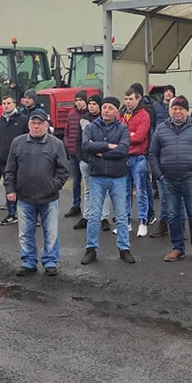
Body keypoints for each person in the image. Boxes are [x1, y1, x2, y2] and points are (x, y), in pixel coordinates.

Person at [4, 110, 70, 277]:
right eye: (33, 123)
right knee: (25, 233)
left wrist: (53, 186)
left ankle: (50, 262)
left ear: (46, 125)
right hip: (24, 197)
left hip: (49, 198)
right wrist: (10, 189)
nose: (36, 126)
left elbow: (63, 171)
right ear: (29, 125)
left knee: (51, 232)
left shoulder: (56, 144)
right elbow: (10, 169)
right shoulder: (17, 143)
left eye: (40, 123)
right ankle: (28, 262)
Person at [148, 96, 192, 262]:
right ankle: (177, 248)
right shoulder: (161, 129)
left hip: (190, 179)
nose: (177, 112)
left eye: (180, 109)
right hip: (168, 179)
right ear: (170, 110)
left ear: (186, 111)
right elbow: (153, 153)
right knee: (173, 214)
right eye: (174, 108)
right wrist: (159, 175)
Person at [81, 96, 136, 265]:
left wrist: (101, 151)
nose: (106, 110)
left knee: (120, 215)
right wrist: (109, 145)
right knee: (93, 215)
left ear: (116, 111)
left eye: (110, 108)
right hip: (97, 176)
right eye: (104, 107)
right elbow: (86, 147)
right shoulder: (91, 127)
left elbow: (123, 150)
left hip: (118, 177)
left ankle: (124, 249)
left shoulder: (122, 129)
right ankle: (91, 249)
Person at [0, 95, 29, 225]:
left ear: (15, 104)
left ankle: (30, 216)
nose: (6, 105)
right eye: (4, 103)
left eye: (8, 103)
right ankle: (12, 214)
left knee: (25, 187)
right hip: (4, 161)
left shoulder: (23, 120)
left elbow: (29, 138)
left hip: (22, 161)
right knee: (9, 187)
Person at [120, 86, 153, 236]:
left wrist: (125, 137)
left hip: (138, 158)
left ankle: (142, 222)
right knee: (125, 192)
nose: (127, 102)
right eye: (126, 99)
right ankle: (126, 222)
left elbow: (140, 137)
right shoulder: (122, 115)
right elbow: (116, 134)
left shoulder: (144, 115)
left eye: (131, 99)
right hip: (123, 158)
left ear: (138, 99)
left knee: (141, 191)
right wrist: (129, 135)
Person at [77, 95, 112, 232]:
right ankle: (87, 216)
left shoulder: (105, 121)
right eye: (89, 103)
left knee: (105, 189)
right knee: (87, 189)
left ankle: (104, 218)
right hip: (86, 160)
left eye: (94, 104)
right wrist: (80, 156)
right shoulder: (83, 119)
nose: (91, 106)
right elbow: (78, 140)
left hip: (101, 160)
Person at [62, 90, 88, 218]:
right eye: (76, 100)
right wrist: (67, 145)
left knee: (88, 182)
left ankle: (89, 208)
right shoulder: (71, 115)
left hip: (86, 155)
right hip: (73, 153)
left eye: (81, 100)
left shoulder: (89, 115)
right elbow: (66, 132)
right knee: (76, 180)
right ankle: (76, 205)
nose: (78, 103)